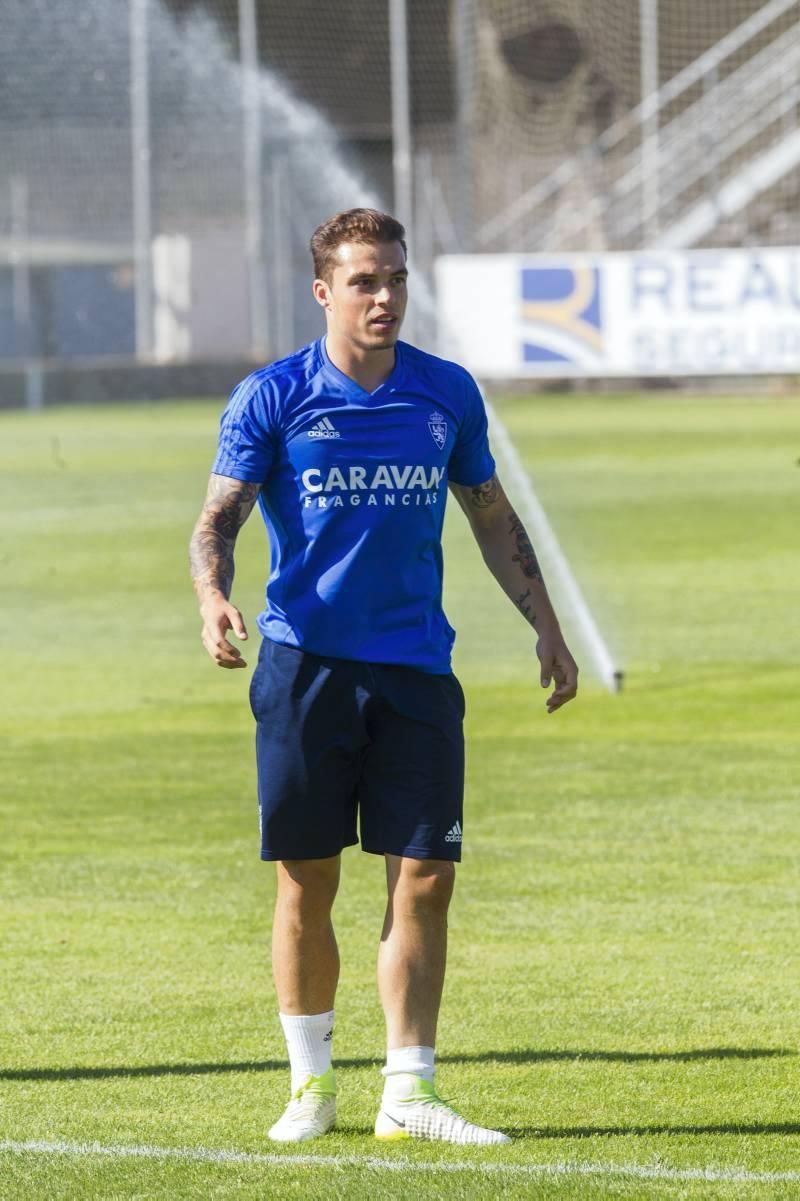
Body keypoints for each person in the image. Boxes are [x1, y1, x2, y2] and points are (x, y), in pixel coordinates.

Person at [189, 208, 578, 1146]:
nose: (385, 297)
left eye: (396, 278)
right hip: (304, 669)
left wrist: (547, 625)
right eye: (365, 281)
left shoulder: (446, 394)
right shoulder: (273, 396)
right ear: (323, 290)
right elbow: (218, 521)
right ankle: (309, 1085)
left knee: (426, 876)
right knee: (306, 880)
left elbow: (489, 513)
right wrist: (212, 597)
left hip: (416, 672)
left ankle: (409, 1091)